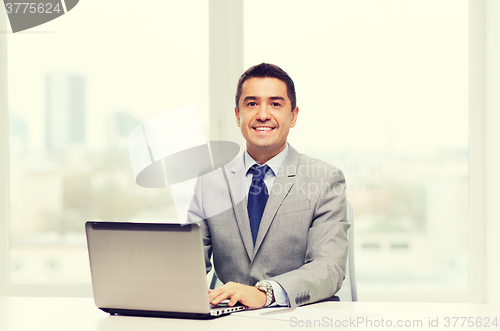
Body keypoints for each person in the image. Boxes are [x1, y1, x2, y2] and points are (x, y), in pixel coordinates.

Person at [187, 63, 349, 309]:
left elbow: (328, 267)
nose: (262, 114)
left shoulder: (325, 179)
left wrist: (266, 293)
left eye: (275, 104)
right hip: (228, 319)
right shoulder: (210, 181)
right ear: (237, 114)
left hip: (299, 318)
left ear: (293, 116)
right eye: (251, 104)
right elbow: (189, 265)